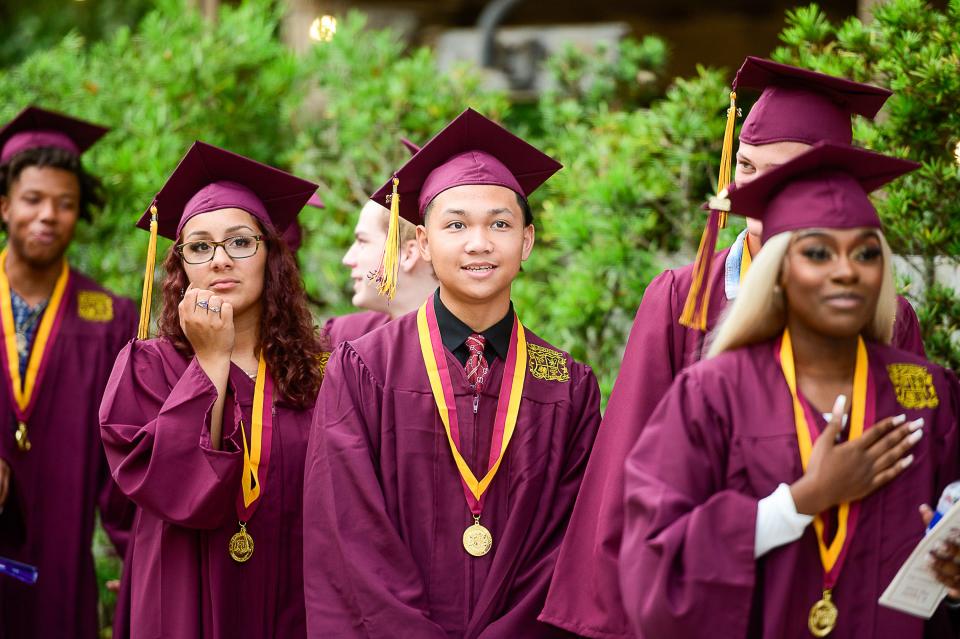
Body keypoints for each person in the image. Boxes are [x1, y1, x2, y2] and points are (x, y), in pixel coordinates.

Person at [542, 57, 925, 639]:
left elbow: (911, 459)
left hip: (841, 583)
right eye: (745, 167)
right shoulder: (682, 299)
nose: (750, 193)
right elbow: (629, 459)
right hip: (707, 590)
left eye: (780, 177)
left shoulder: (888, 319)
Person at [619, 142, 959, 638]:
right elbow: (655, 564)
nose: (846, 270)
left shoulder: (926, 393)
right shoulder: (712, 394)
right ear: (777, 272)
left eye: (865, 252)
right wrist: (800, 501)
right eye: (818, 252)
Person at [303, 108, 602, 638]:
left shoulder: (566, 385)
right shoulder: (364, 368)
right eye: (456, 225)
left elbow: (569, 542)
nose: (479, 243)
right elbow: (347, 534)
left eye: (500, 224)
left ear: (527, 242)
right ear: (420, 243)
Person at [99, 141, 327, 639]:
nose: (221, 259)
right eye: (200, 246)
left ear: (272, 255)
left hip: (294, 602)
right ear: (182, 267)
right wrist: (211, 361)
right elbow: (174, 489)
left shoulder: (313, 374)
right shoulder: (147, 367)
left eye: (241, 242)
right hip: (185, 601)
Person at [0, 105, 136, 639]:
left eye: (65, 204)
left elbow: (123, 451)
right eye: (33, 200)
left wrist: (140, 557)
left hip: (61, 561)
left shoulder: (106, 315)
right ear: (6, 205)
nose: (48, 216)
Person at [324, 138, 437, 345]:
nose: (348, 259)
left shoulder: (475, 352)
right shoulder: (344, 339)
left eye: (362, 241)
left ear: (408, 253)